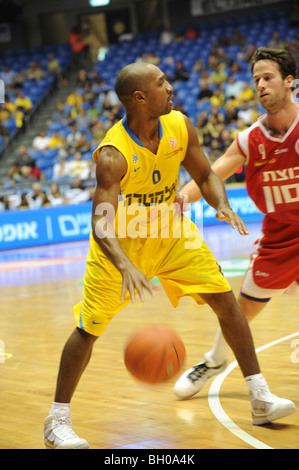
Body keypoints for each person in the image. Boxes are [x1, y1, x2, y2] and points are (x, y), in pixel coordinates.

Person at [43, 60, 295, 449]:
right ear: (141, 97)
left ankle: (259, 396)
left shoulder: (180, 124)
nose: (171, 88)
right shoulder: (113, 155)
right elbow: (101, 224)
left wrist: (220, 202)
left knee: (227, 303)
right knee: (87, 329)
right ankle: (56, 420)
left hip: (173, 234)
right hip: (122, 247)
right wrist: (125, 265)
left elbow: (205, 173)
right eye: (162, 83)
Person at [173, 47, 299, 401]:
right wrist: (182, 198)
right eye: (256, 79)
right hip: (280, 237)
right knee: (242, 311)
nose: (260, 85)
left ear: (289, 82)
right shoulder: (249, 140)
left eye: (268, 77)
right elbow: (210, 175)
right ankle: (213, 361)